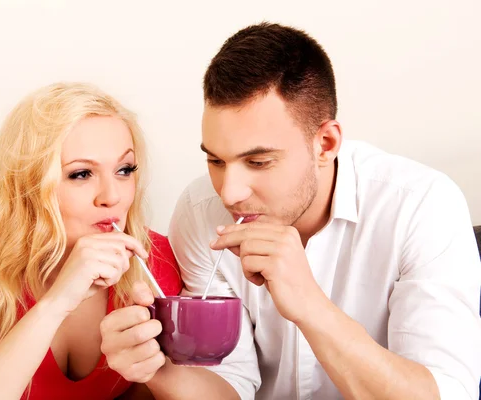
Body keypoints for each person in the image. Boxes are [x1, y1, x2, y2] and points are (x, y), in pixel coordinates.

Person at [99, 22, 481, 399]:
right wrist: (158, 372)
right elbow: (231, 385)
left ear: (326, 144)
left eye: (259, 162)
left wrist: (309, 305)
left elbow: (446, 393)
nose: (229, 194)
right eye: (216, 160)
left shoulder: (421, 206)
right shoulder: (200, 213)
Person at [0, 82, 181, 400]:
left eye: (124, 170)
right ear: (29, 184)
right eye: (81, 174)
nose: (113, 196)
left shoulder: (155, 260)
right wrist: (56, 304)